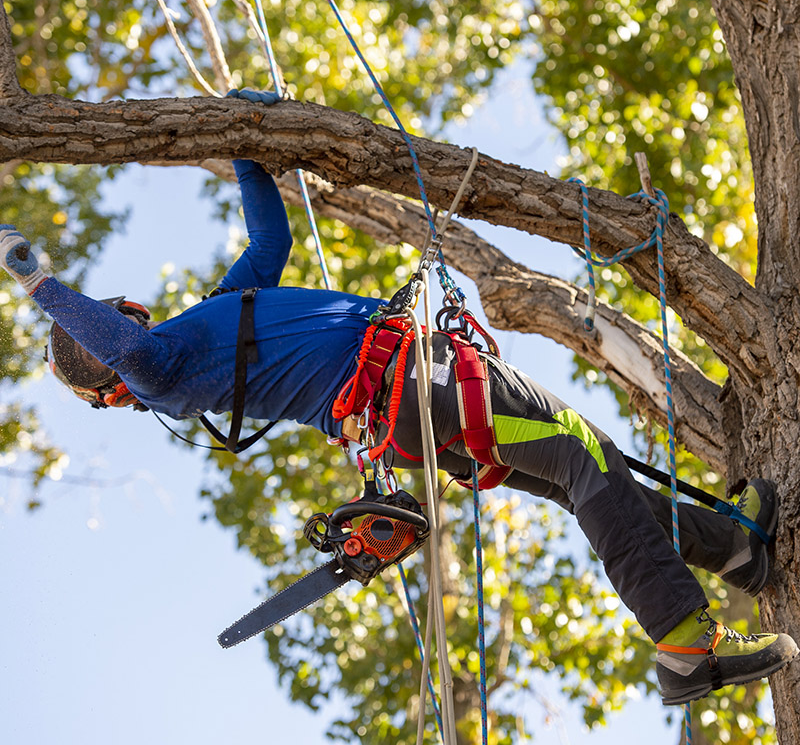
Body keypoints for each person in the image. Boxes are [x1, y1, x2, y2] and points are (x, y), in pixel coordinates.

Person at [1, 88, 796, 706]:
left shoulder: (217, 321)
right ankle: (684, 643)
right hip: (419, 388)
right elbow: (127, 350)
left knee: (578, 477)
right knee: (585, 456)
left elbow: (269, 244)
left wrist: (243, 145)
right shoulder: (161, 371)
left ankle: (732, 550)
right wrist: (39, 282)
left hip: (412, 405)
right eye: (111, 339)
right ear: (121, 328)